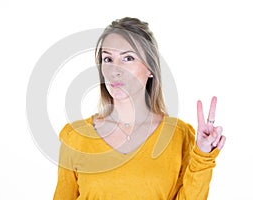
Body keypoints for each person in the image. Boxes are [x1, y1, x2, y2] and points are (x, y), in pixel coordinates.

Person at [53, 17, 226, 200]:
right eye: (108, 59)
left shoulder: (179, 136)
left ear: (150, 69)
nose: (115, 69)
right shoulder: (76, 137)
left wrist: (203, 156)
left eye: (128, 58)